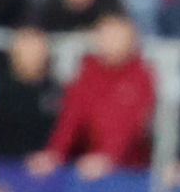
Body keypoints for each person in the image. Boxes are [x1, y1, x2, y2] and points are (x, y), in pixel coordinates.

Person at [32, 11, 155, 175]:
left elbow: (131, 124)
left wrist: (108, 157)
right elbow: (71, 116)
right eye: (105, 35)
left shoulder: (141, 76)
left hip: (130, 168)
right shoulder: (87, 71)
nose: (110, 42)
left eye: (117, 37)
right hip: (85, 161)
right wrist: (54, 152)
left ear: (130, 40)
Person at [0, 23, 62, 158]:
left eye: (37, 49)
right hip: (5, 164)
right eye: (27, 48)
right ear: (14, 52)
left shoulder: (55, 91)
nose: (33, 55)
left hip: (47, 165)